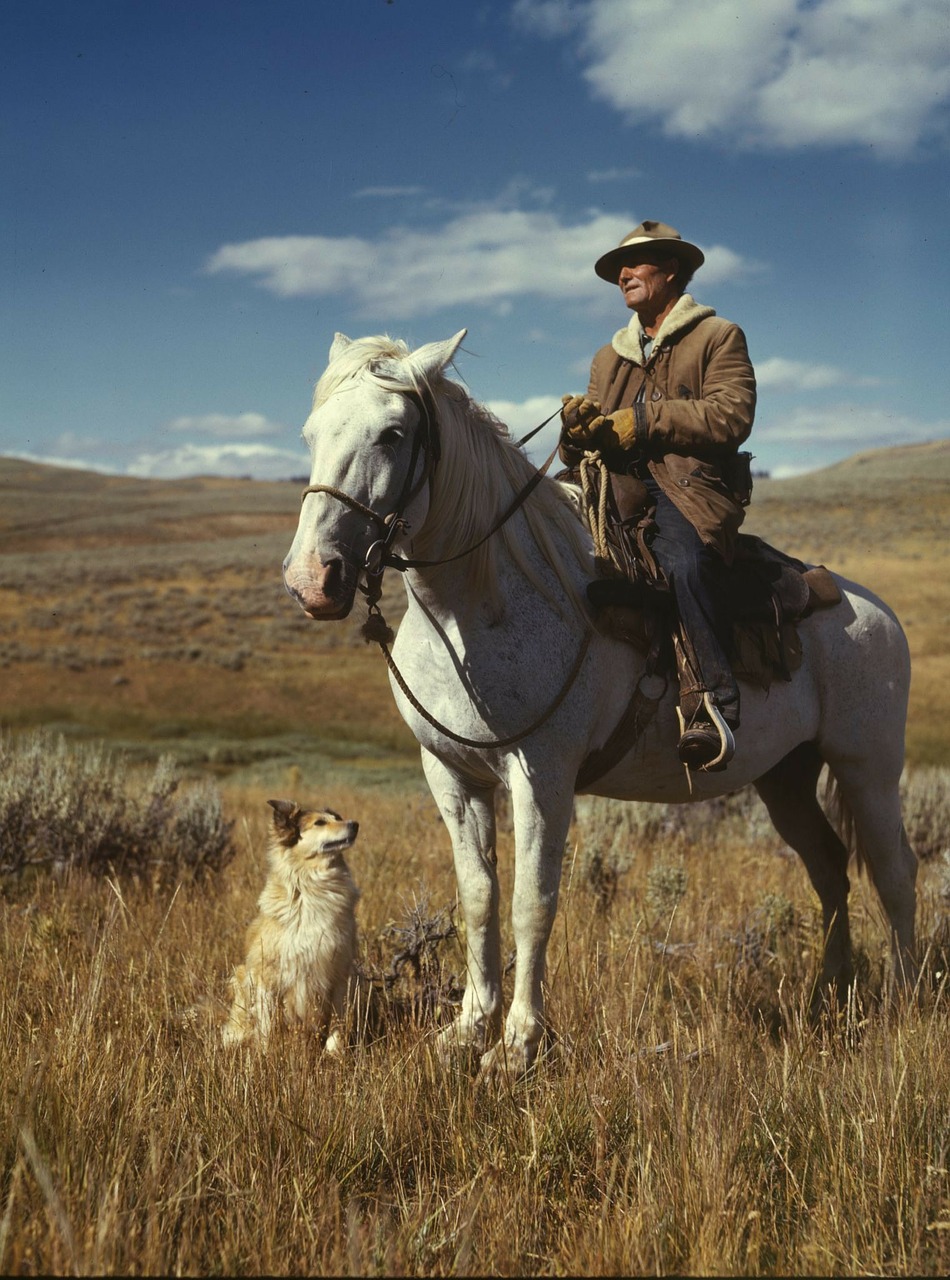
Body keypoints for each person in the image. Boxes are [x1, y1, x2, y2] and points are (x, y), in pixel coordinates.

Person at [560, 220, 756, 771]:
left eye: (636, 265)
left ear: (670, 270)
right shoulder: (609, 357)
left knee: (687, 563)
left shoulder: (717, 336)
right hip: (612, 486)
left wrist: (643, 422)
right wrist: (577, 434)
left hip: (688, 487)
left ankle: (710, 702)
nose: (622, 275)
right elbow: (595, 436)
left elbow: (730, 415)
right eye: (618, 270)